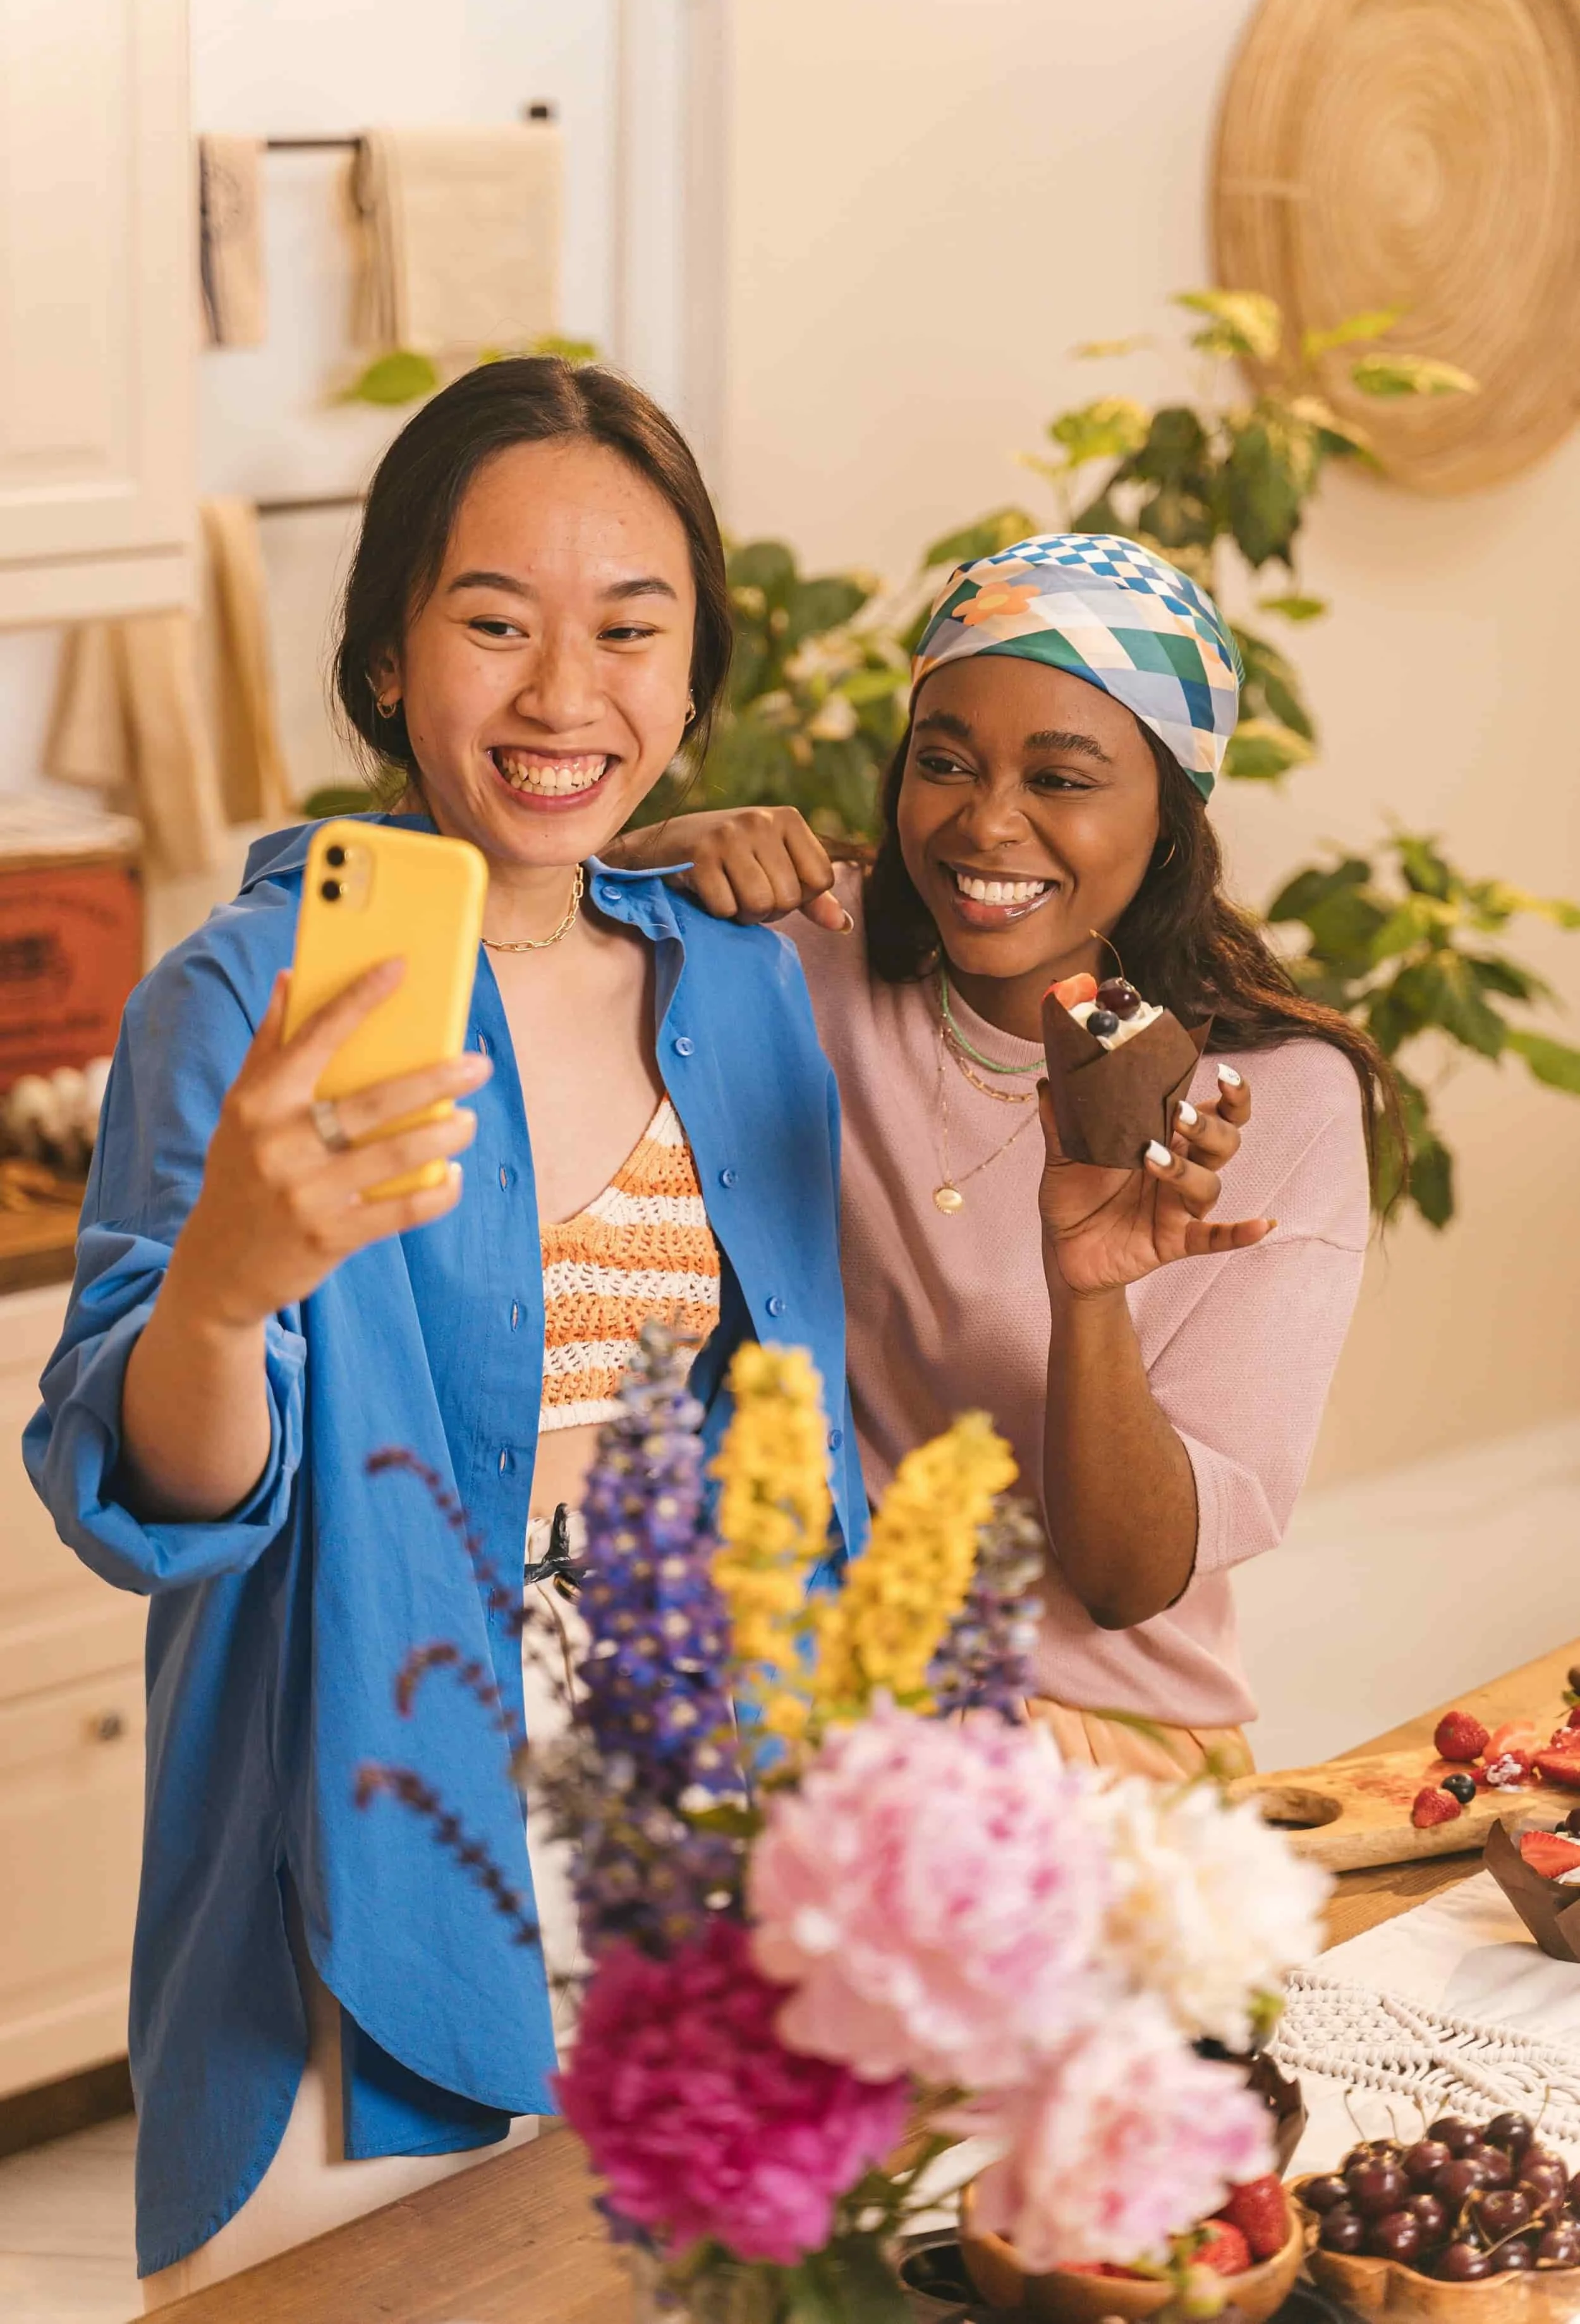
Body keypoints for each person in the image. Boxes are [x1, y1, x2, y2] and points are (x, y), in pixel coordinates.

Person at [25, 358, 865, 2298]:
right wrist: (225, 1284)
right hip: (370, 1820)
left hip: (708, 1842)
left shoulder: (744, 988)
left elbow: (802, 1453)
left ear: (691, 672)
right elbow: (149, 1490)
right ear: (391, 654)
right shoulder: (244, 996)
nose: (566, 695)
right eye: (495, 622)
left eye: (628, 632)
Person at [611, 532, 1395, 1779]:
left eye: (1063, 779)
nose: (985, 824)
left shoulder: (1278, 1103)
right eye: (944, 763)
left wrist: (1087, 1288)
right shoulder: (798, 963)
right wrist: (639, 855)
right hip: (800, 1718)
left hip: (1096, 1745)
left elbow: (1127, 1578)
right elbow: (493, 933)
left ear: (1169, 814)